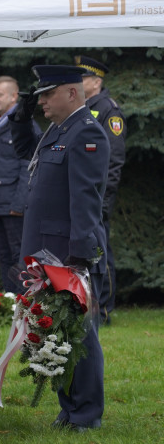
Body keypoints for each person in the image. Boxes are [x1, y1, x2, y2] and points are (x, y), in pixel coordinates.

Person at [9, 64, 108, 432]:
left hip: (66, 254)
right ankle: (69, 409)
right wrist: (21, 117)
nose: (41, 101)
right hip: (46, 252)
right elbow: (23, 151)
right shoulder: (58, 129)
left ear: (71, 92)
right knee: (58, 332)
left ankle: (85, 413)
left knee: (79, 332)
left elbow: (85, 200)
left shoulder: (85, 132)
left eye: (47, 94)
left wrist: (79, 258)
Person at [76, 56, 125, 322]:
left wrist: (103, 200)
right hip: (83, 195)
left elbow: (114, 160)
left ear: (96, 81)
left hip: (98, 196)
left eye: (84, 78)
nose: (80, 83)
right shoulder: (80, 108)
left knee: (101, 251)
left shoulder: (108, 110)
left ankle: (104, 309)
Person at [0, 76, 41, 294]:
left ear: (13, 96)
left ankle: (24, 299)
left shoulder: (24, 124)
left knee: (20, 254)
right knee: (3, 254)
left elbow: (28, 165)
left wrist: (19, 203)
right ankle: (9, 299)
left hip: (13, 204)